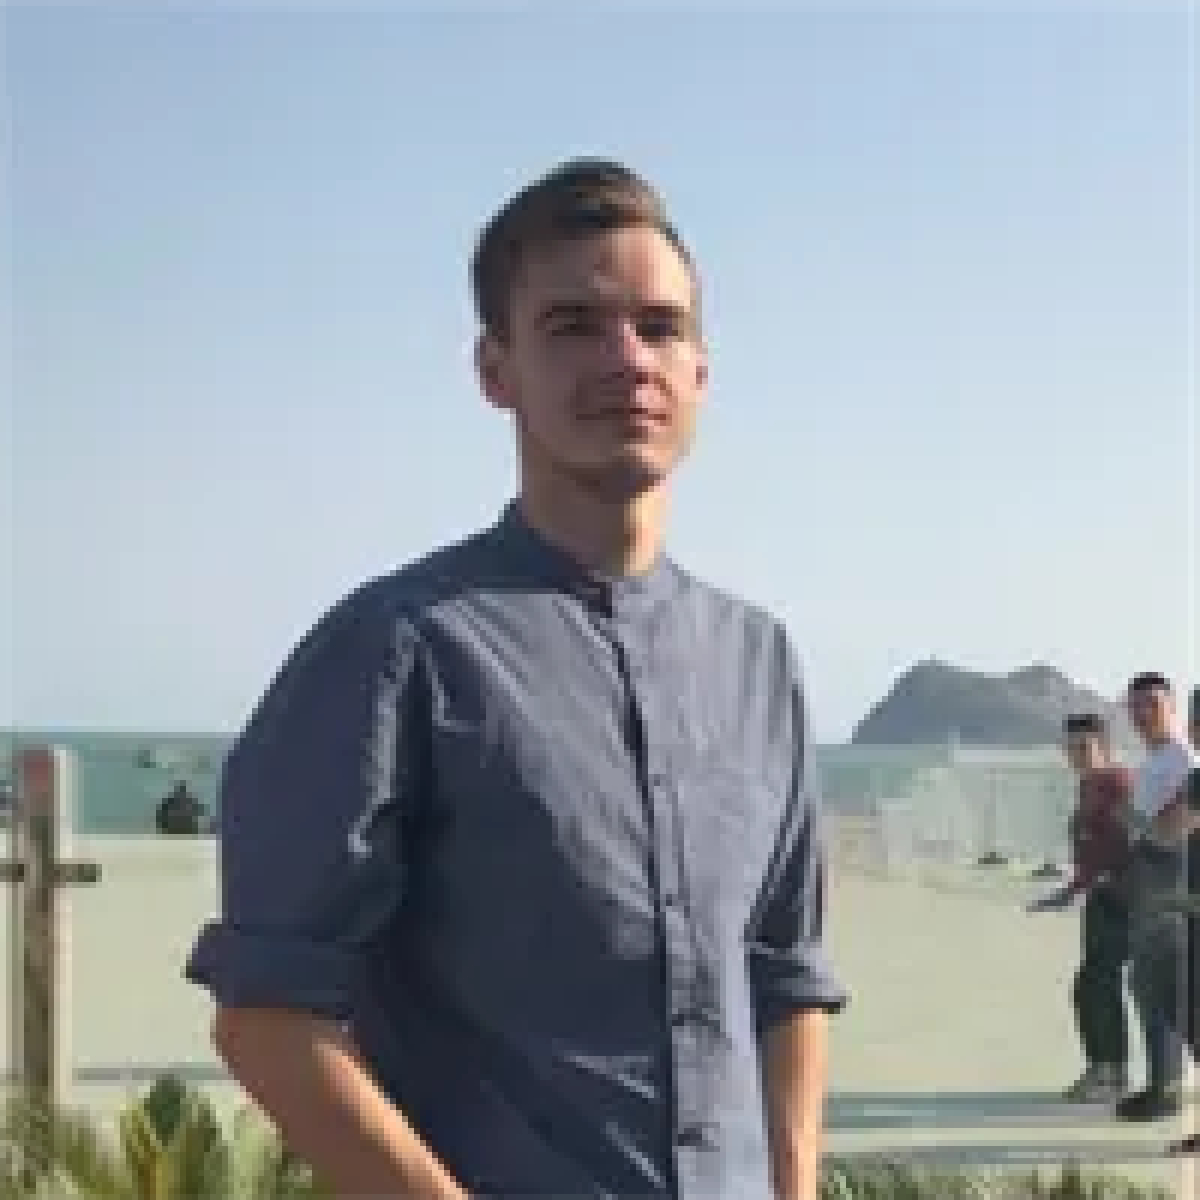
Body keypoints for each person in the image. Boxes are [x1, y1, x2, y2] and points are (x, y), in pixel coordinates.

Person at [185, 159, 847, 1200]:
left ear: (700, 373)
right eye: (573, 326)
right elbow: (269, 1015)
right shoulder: (395, 650)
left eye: (659, 327)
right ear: (496, 371)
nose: (627, 359)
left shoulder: (759, 660)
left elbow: (783, 974)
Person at [1031, 714, 1136, 1102]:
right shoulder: (1087, 786)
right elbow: (1091, 852)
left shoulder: (1119, 784)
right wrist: (1068, 892)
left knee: (1097, 983)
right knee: (1090, 985)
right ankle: (1102, 1070)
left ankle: (1112, 1074)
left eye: (1084, 747)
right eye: (1070, 748)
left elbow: (1138, 838)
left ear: (1104, 748)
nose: (1075, 755)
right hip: (1098, 899)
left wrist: (1117, 880)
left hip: (1122, 902)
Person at [1115, 672, 1199, 1122]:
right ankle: (1163, 1083)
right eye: (1135, 705)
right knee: (1152, 984)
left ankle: (1166, 1087)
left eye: (1152, 703)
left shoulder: (1182, 761)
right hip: (1153, 880)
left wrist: (1133, 821)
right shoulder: (1156, 761)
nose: (1142, 713)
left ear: (1173, 708)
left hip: (1172, 881)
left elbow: (1177, 830)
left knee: (1162, 984)